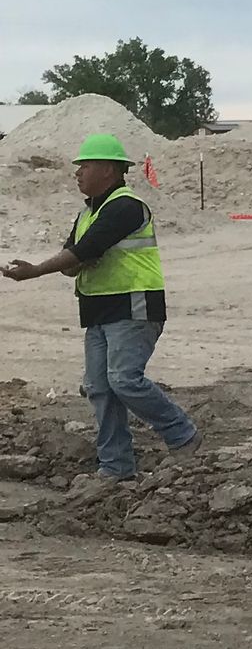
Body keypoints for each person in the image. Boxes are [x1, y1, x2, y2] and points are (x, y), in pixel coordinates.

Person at [3, 129, 199, 480]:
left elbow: (80, 252)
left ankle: (182, 435)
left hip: (133, 306)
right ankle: (116, 467)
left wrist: (34, 272)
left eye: (85, 165)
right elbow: (74, 261)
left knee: (124, 380)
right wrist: (77, 260)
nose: (77, 173)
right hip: (98, 310)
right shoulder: (87, 214)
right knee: (100, 388)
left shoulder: (125, 206)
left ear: (108, 169)